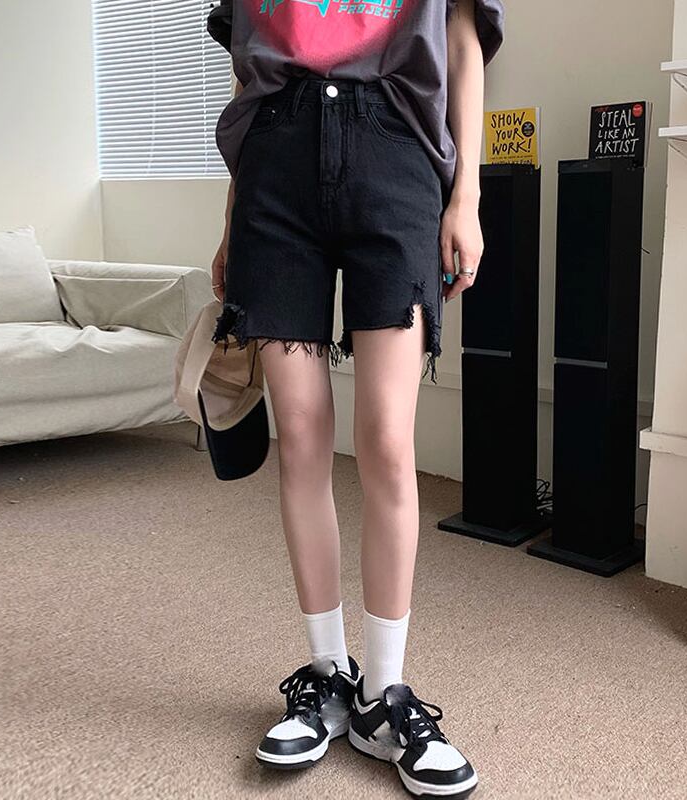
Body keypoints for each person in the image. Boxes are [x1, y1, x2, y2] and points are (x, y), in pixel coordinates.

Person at [205, 1, 504, 797]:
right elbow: (246, 63)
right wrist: (232, 221)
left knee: (388, 442)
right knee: (301, 437)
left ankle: (384, 695)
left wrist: (466, 196)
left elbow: (463, 39)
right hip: (274, 163)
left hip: (395, 151)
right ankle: (327, 675)